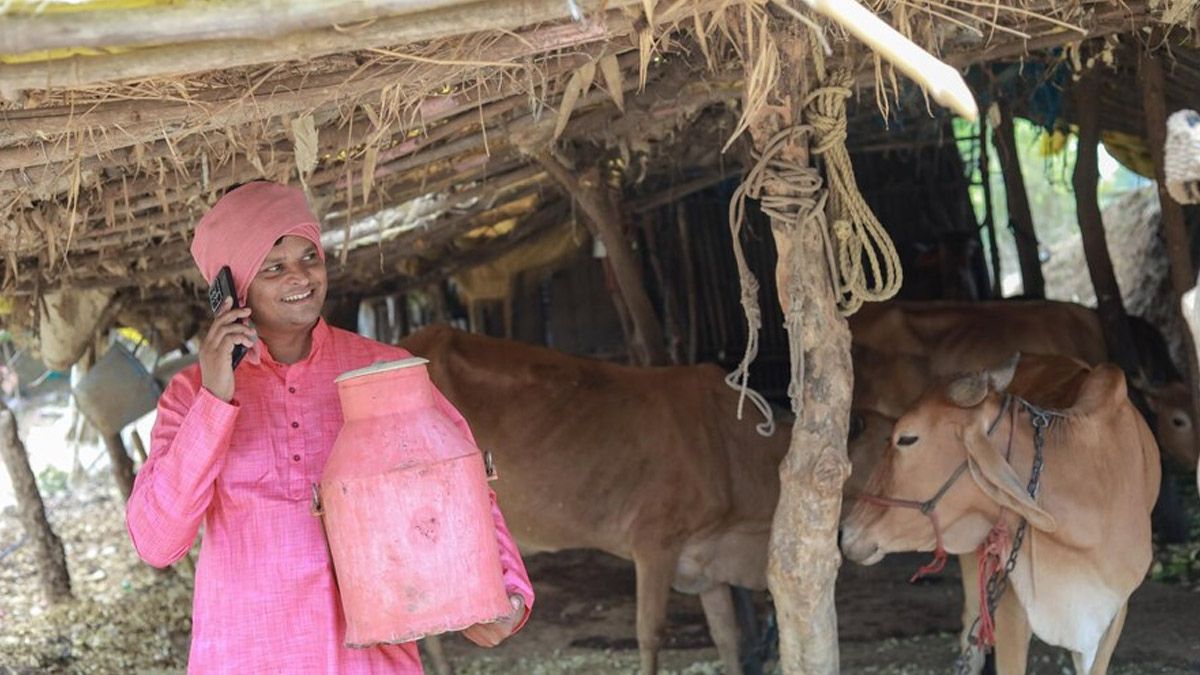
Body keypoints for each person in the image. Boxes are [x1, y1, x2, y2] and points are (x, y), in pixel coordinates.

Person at [125, 182, 533, 673]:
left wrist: (503, 587)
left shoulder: (385, 370)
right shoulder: (190, 395)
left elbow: (462, 488)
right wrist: (216, 396)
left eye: (309, 257)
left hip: (369, 659)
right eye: (273, 267)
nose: (300, 276)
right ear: (231, 292)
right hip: (245, 655)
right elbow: (157, 542)